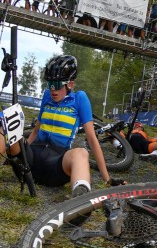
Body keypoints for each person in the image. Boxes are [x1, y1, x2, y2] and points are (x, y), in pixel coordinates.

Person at [0, 55, 125, 196]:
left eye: (57, 85)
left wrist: (107, 179)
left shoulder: (79, 98)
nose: (53, 90)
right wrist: (18, 151)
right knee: (7, 126)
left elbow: (91, 139)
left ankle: (80, 201)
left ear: (70, 84)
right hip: (30, 162)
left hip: (55, 165)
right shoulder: (47, 95)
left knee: (81, 153)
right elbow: (35, 132)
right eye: (50, 84)